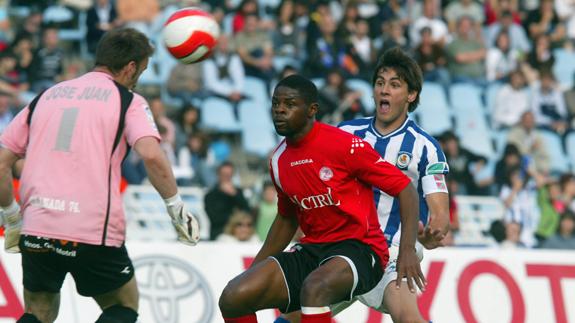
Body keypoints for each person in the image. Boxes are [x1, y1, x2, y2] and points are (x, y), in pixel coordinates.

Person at [0, 28, 200, 323]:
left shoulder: (46, 95)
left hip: (38, 225)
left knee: (38, 312)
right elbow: (150, 154)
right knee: (124, 305)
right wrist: (175, 208)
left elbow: (2, 161)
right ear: (131, 67)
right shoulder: (128, 100)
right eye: (141, 71)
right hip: (92, 229)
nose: (139, 78)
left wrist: (12, 216)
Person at [218, 74, 423, 323]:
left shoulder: (344, 145)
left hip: (361, 249)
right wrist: (254, 271)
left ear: (311, 110)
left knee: (314, 289)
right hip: (312, 250)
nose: (280, 110)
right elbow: (286, 218)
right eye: (275, 104)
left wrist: (408, 250)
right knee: (234, 296)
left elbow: (406, 190)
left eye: (290, 104)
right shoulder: (278, 160)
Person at [279, 47, 450, 323]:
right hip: (342, 248)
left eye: (395, 85)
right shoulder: (345, 133)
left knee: (406, 315)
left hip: (393, 251)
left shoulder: (425, 147)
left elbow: (440, 213)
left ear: (411, 95)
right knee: (290, 318)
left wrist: (433, 233)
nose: (384, 90)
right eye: (380, 83)